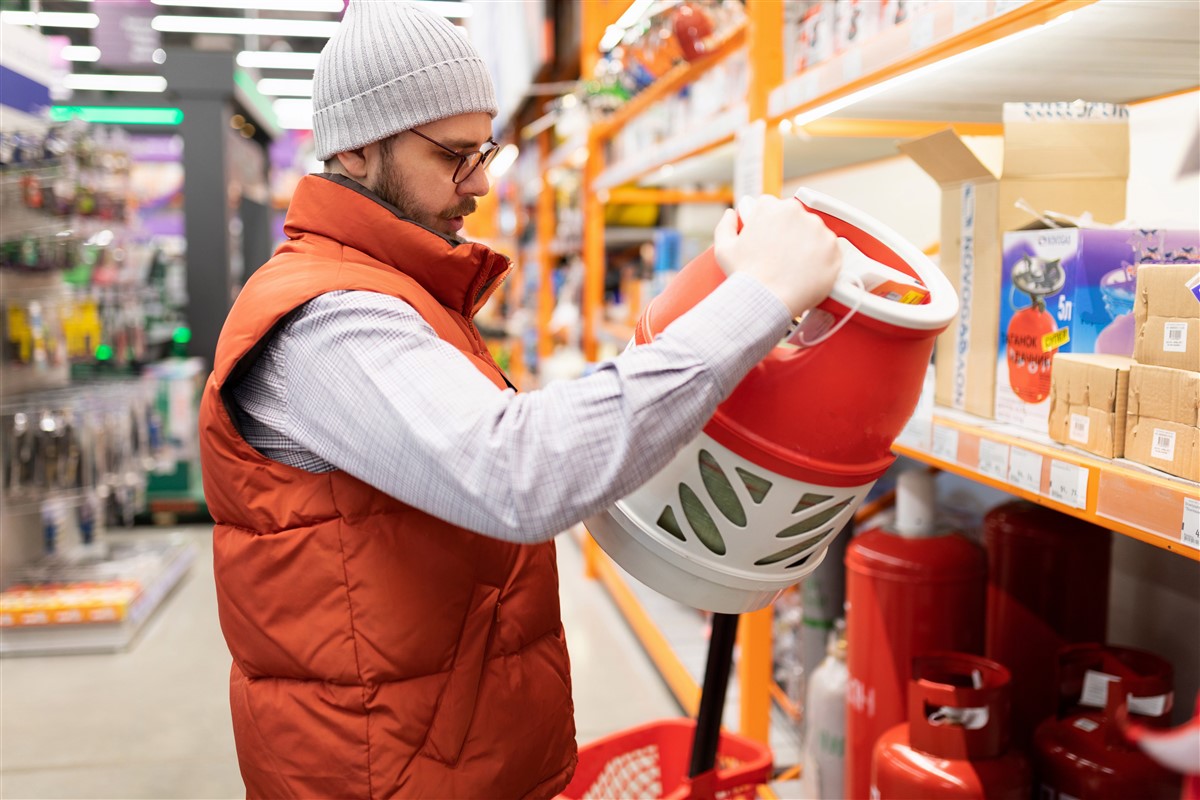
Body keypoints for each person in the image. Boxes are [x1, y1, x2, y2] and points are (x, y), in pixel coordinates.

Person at [198, 2, 841, 797]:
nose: (478, 186)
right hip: (381, 776)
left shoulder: (405, 291)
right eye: (454, 156)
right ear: (358, 148)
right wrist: (759, 300)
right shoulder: (324, 320)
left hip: (445, 755)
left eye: (485, 152)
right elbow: (515, 470)